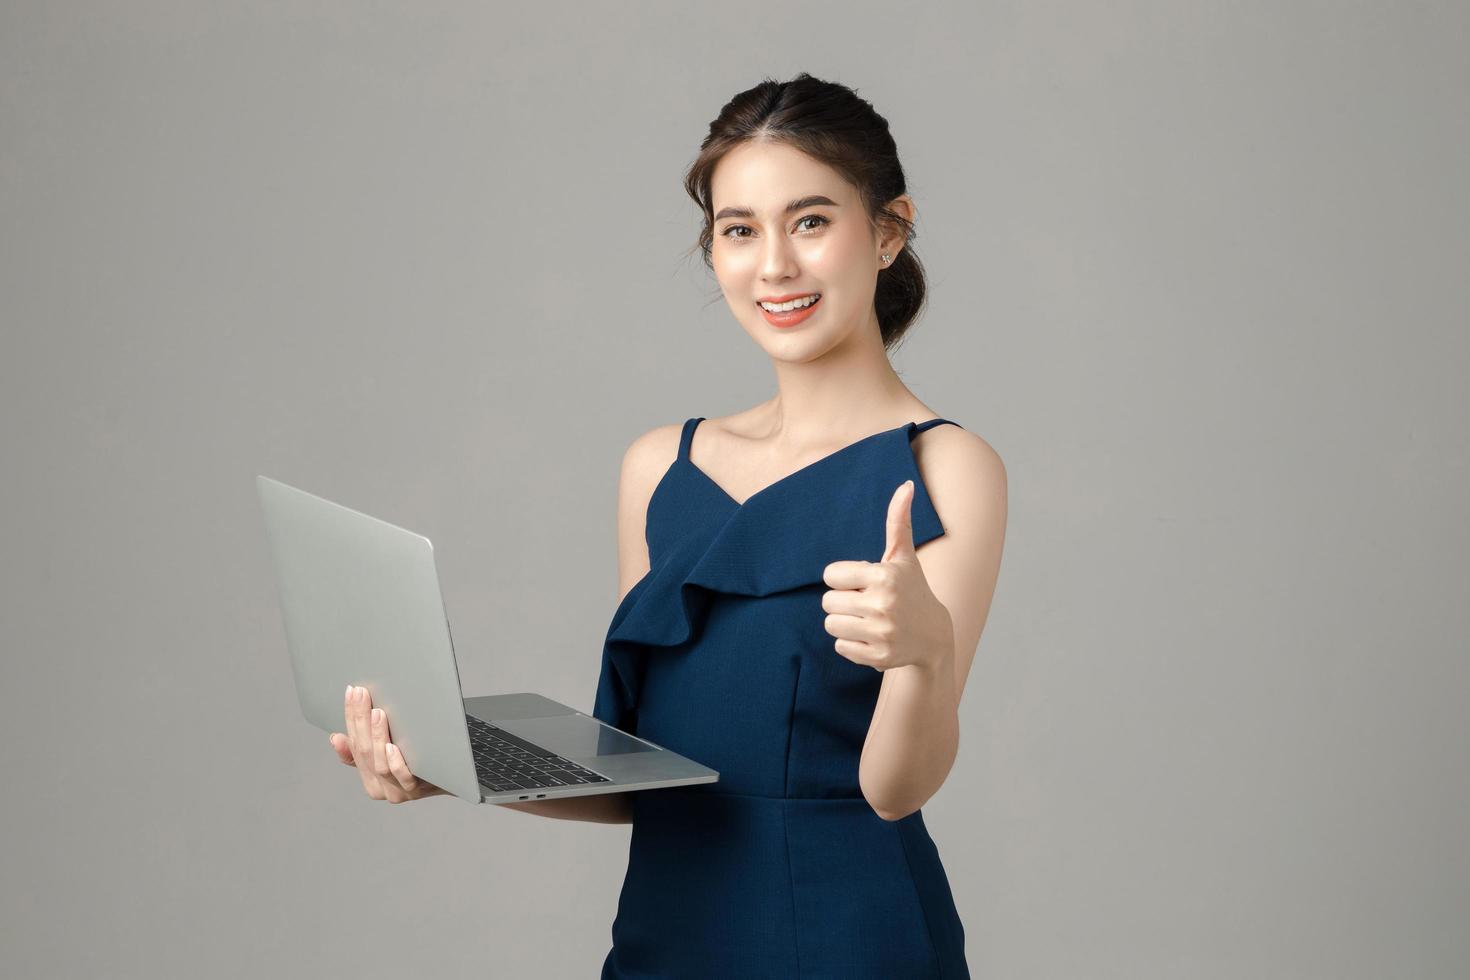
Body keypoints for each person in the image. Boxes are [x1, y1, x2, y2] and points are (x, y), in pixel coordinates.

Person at [329, 72, 1007, 978]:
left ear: (887, 230)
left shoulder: (943, 468)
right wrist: (448, 757)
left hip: (849, 936)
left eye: (810, 221)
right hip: (666, 940)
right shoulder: (659, 466)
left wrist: (924, 656)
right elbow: (642, 775)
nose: (773, 265)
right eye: (739, 230)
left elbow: (897, 790)